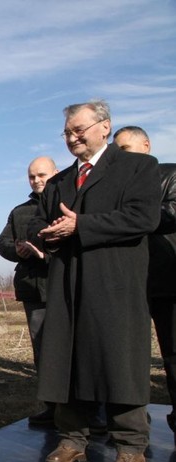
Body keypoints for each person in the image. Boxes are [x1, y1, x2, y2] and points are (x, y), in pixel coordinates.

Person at [27, 100, 160, 462]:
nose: (72, 138)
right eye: (67, 132)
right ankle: (71, 439)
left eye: (78, 130)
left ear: (105, 127)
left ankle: (131, 448)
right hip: (67, 283)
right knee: (68, 360)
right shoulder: (59, 182)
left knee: (119, 360)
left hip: (115, 282)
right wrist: (46, 235)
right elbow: (38, 222)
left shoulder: (137, 167)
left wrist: (80, 225)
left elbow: (142, 217)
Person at [113, 125, 176, 439]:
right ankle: (133, 426)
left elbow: (174, 211)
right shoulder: (117, 190)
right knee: (129, 355)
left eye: (124, 148)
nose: (118, 156)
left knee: (173, 353)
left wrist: (134, 216)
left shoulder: (170, 175)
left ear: (146, 145)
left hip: (169, 279)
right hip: (132, 283)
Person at [0, 157, 57, 426]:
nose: (37, 180)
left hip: (64, 285)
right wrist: (16, 250)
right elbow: (2, 242)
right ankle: (52, 408)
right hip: (34, 290)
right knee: (43, 351)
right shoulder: (20, 212)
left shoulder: (68, 203)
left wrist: (46, 254)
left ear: (55, 173)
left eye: (42, 175)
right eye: (32, 176)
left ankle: (86, 410)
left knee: (76, 350)